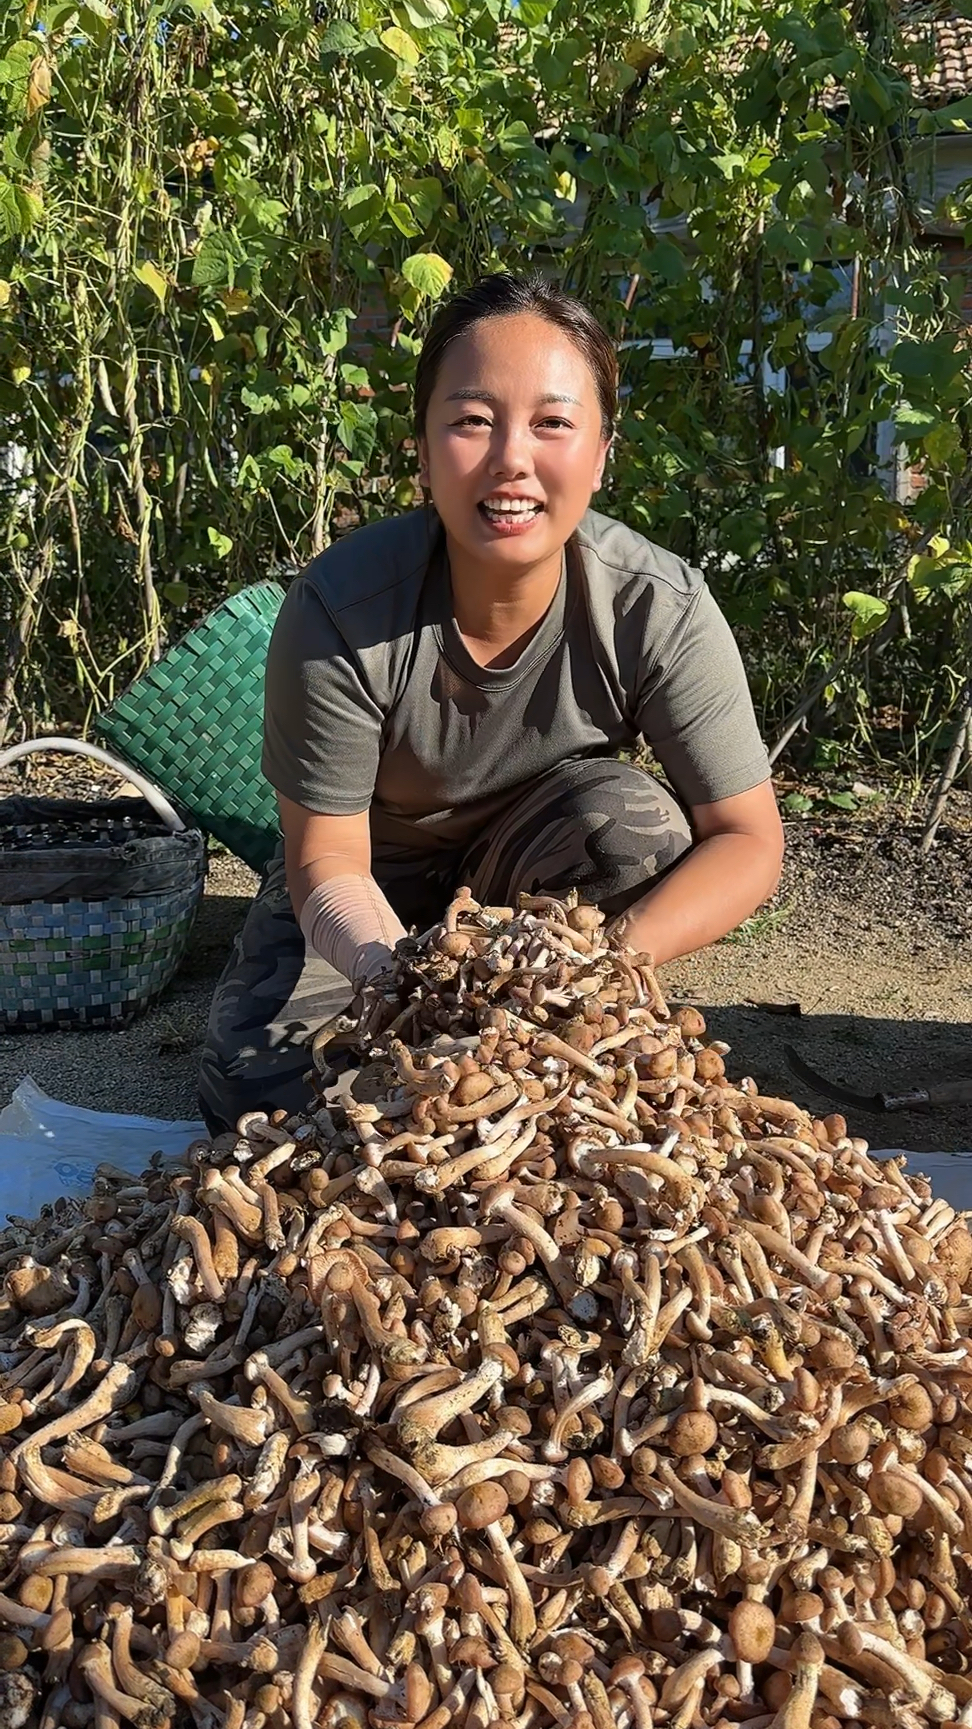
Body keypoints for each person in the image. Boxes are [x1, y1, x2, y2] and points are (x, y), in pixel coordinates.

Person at [198, 271, 783, 1133]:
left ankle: (552, 1025)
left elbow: (748, 839)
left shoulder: (657, 606)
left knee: (635, 824)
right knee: (261, 1095)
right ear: (423, 451)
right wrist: (404, 984)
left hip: (538, 883)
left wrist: (601, 968)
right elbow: (327, 856)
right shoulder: (340, 610)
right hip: (370, 880)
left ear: (602, 452)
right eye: (472, 420)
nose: (512, 458)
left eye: (553, 422)